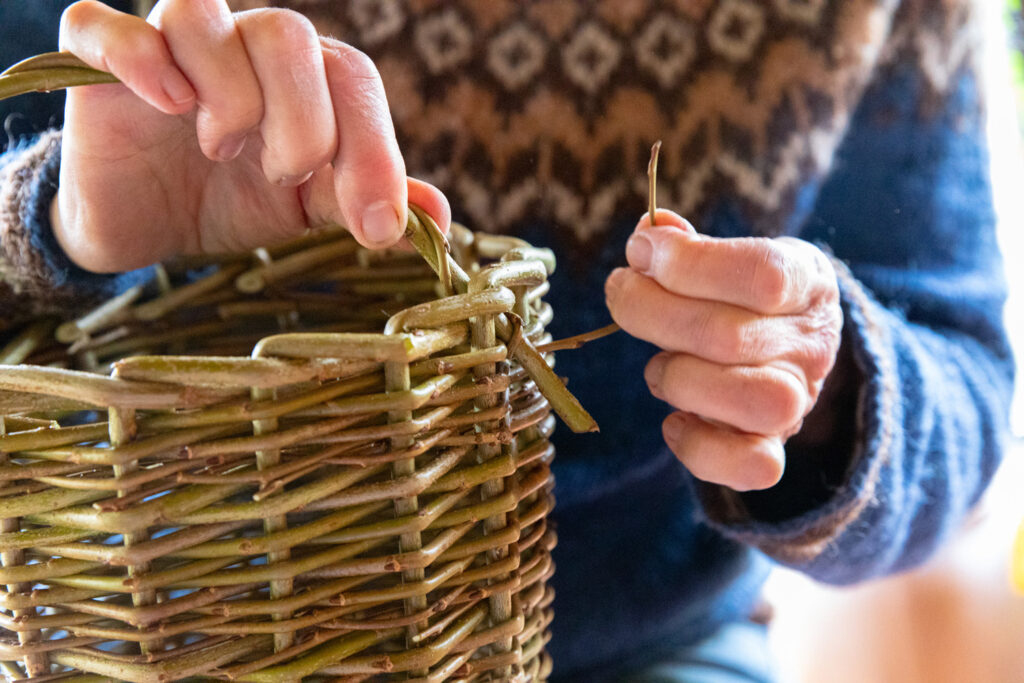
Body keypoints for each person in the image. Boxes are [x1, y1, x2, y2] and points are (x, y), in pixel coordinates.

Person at [0, 1, 1013, 680]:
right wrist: (49, 224)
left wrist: (825, 393)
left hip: (641, 642)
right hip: (148, 640)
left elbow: (964, 374)